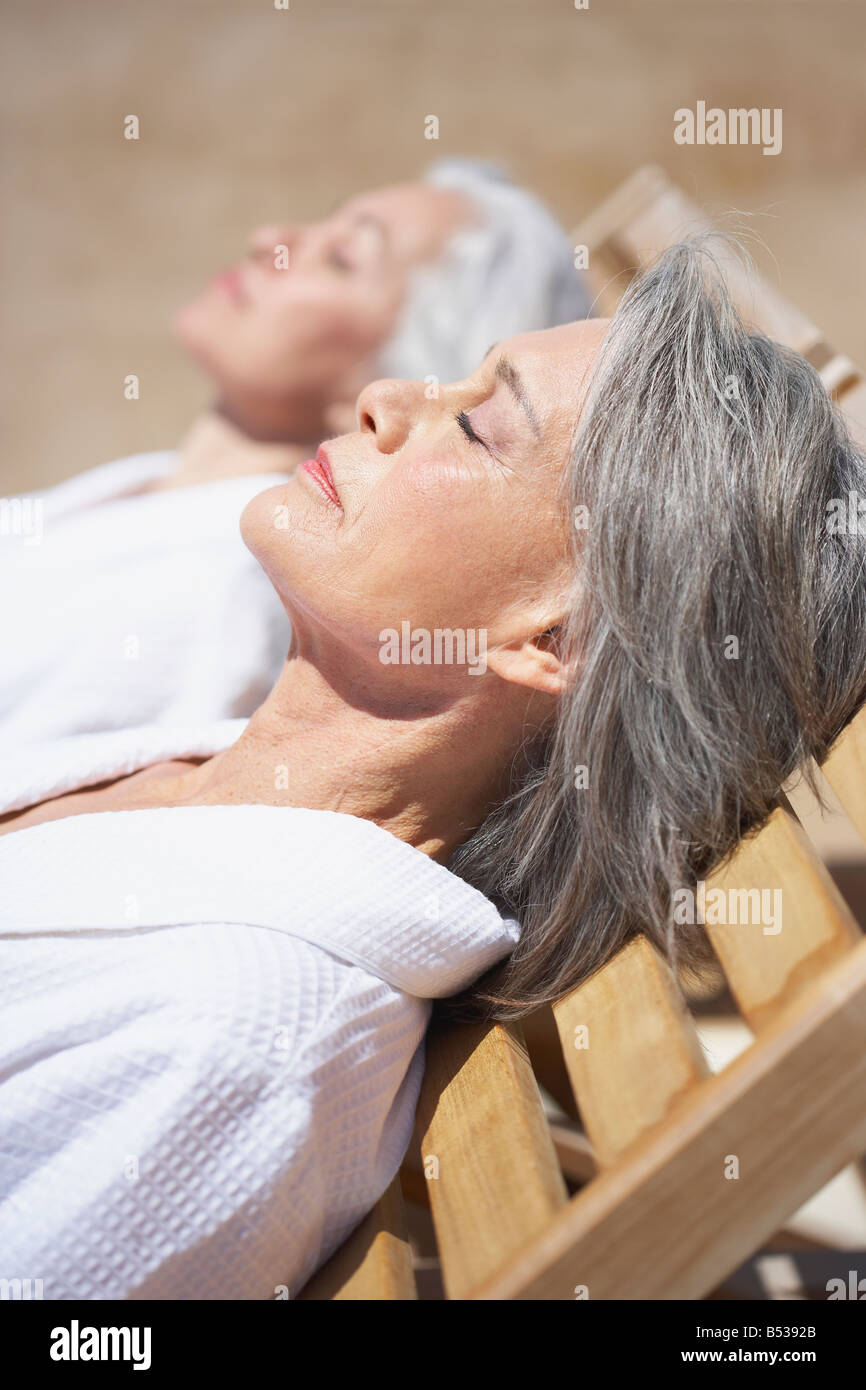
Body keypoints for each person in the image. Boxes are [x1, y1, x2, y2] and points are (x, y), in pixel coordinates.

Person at [2, 240, 863, 1299]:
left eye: (472, 423)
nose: (381, 400)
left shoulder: (227, 1048)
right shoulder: (200, 763)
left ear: (548, 642)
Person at [0, 160, 589, 748]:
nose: (271, 240)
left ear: (400, 380)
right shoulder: (142, 489)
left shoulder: (229, 592)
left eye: (342, 259)